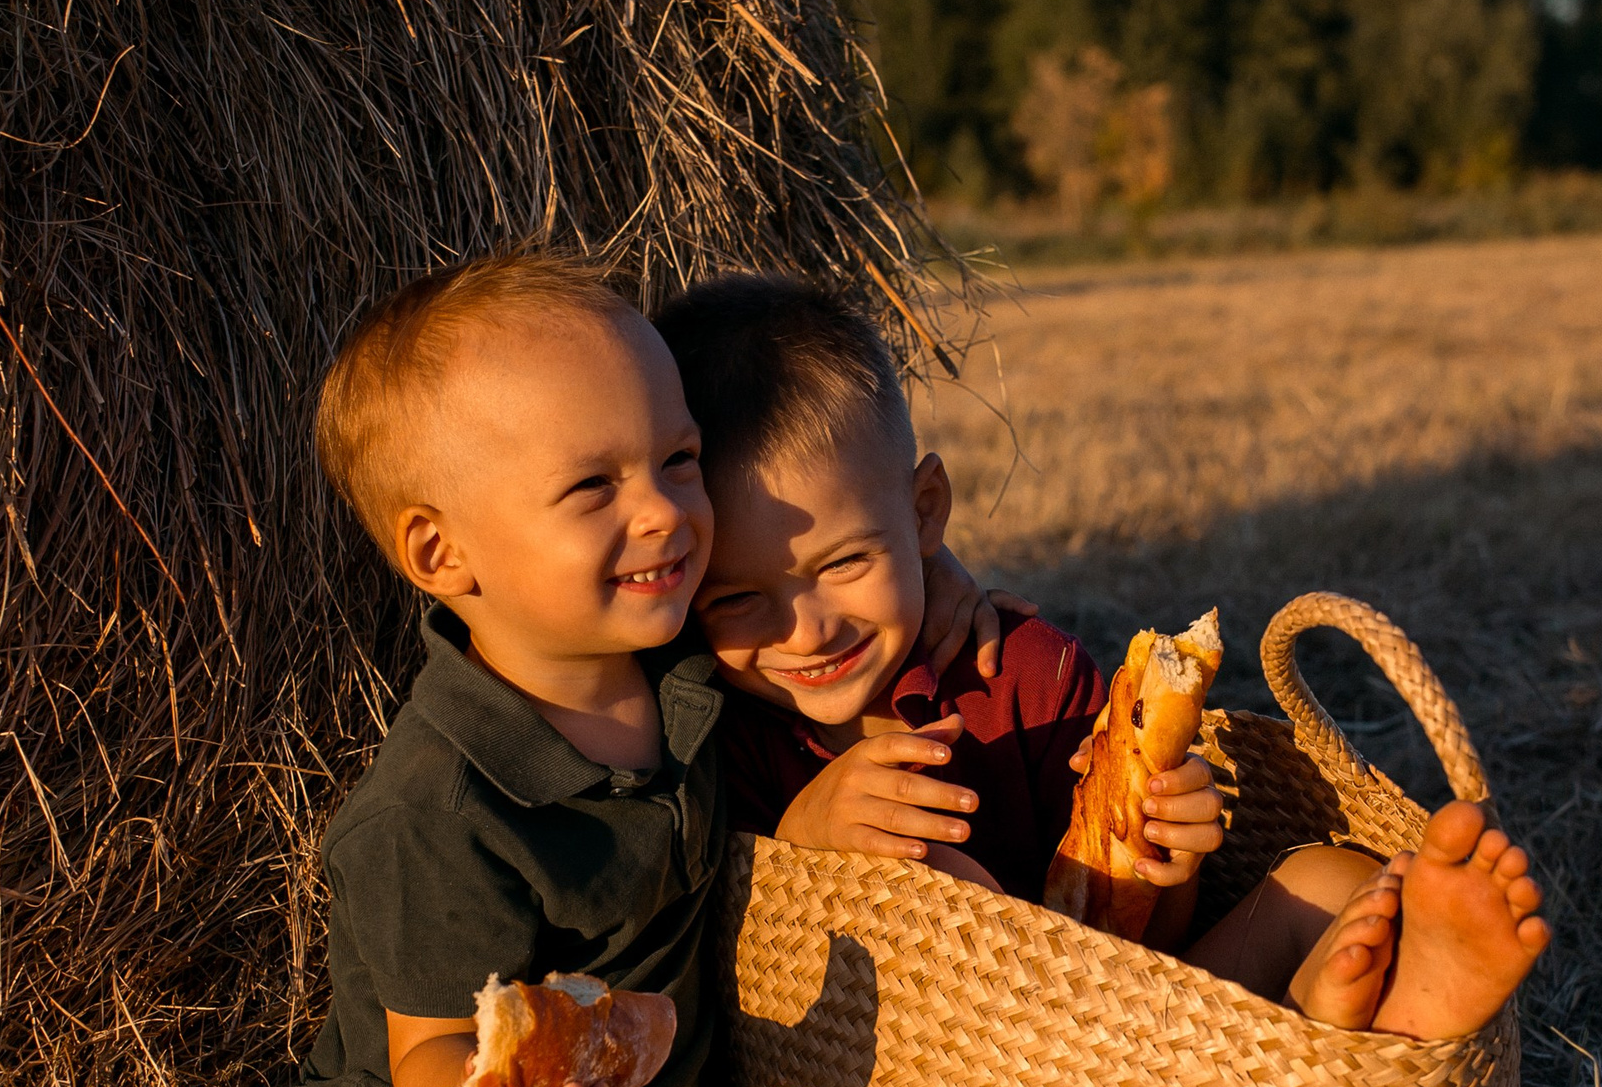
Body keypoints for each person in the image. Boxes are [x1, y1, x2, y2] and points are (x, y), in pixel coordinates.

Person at [294, 252, 1248, 1087]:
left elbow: (845, 555)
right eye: (596, 485)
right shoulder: (438, 802)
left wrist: (945, 580)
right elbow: (425, 1062)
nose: (670, 516)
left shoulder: (688, 653)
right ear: (440, 551)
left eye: (676, 460)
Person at [659, 273, 1550, 1041]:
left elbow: (1145, 949)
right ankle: (1306, 1027)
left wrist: (1169, 863)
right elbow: (707, 946)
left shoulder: (1027, 675)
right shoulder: (708, 732)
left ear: (926, 512)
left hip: (1121, 1044)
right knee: (920, 868)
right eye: (739, 598)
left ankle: (1346, 1009)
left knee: (1328, 879)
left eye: (847, 563)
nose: (806, 629)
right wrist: (802, 839)